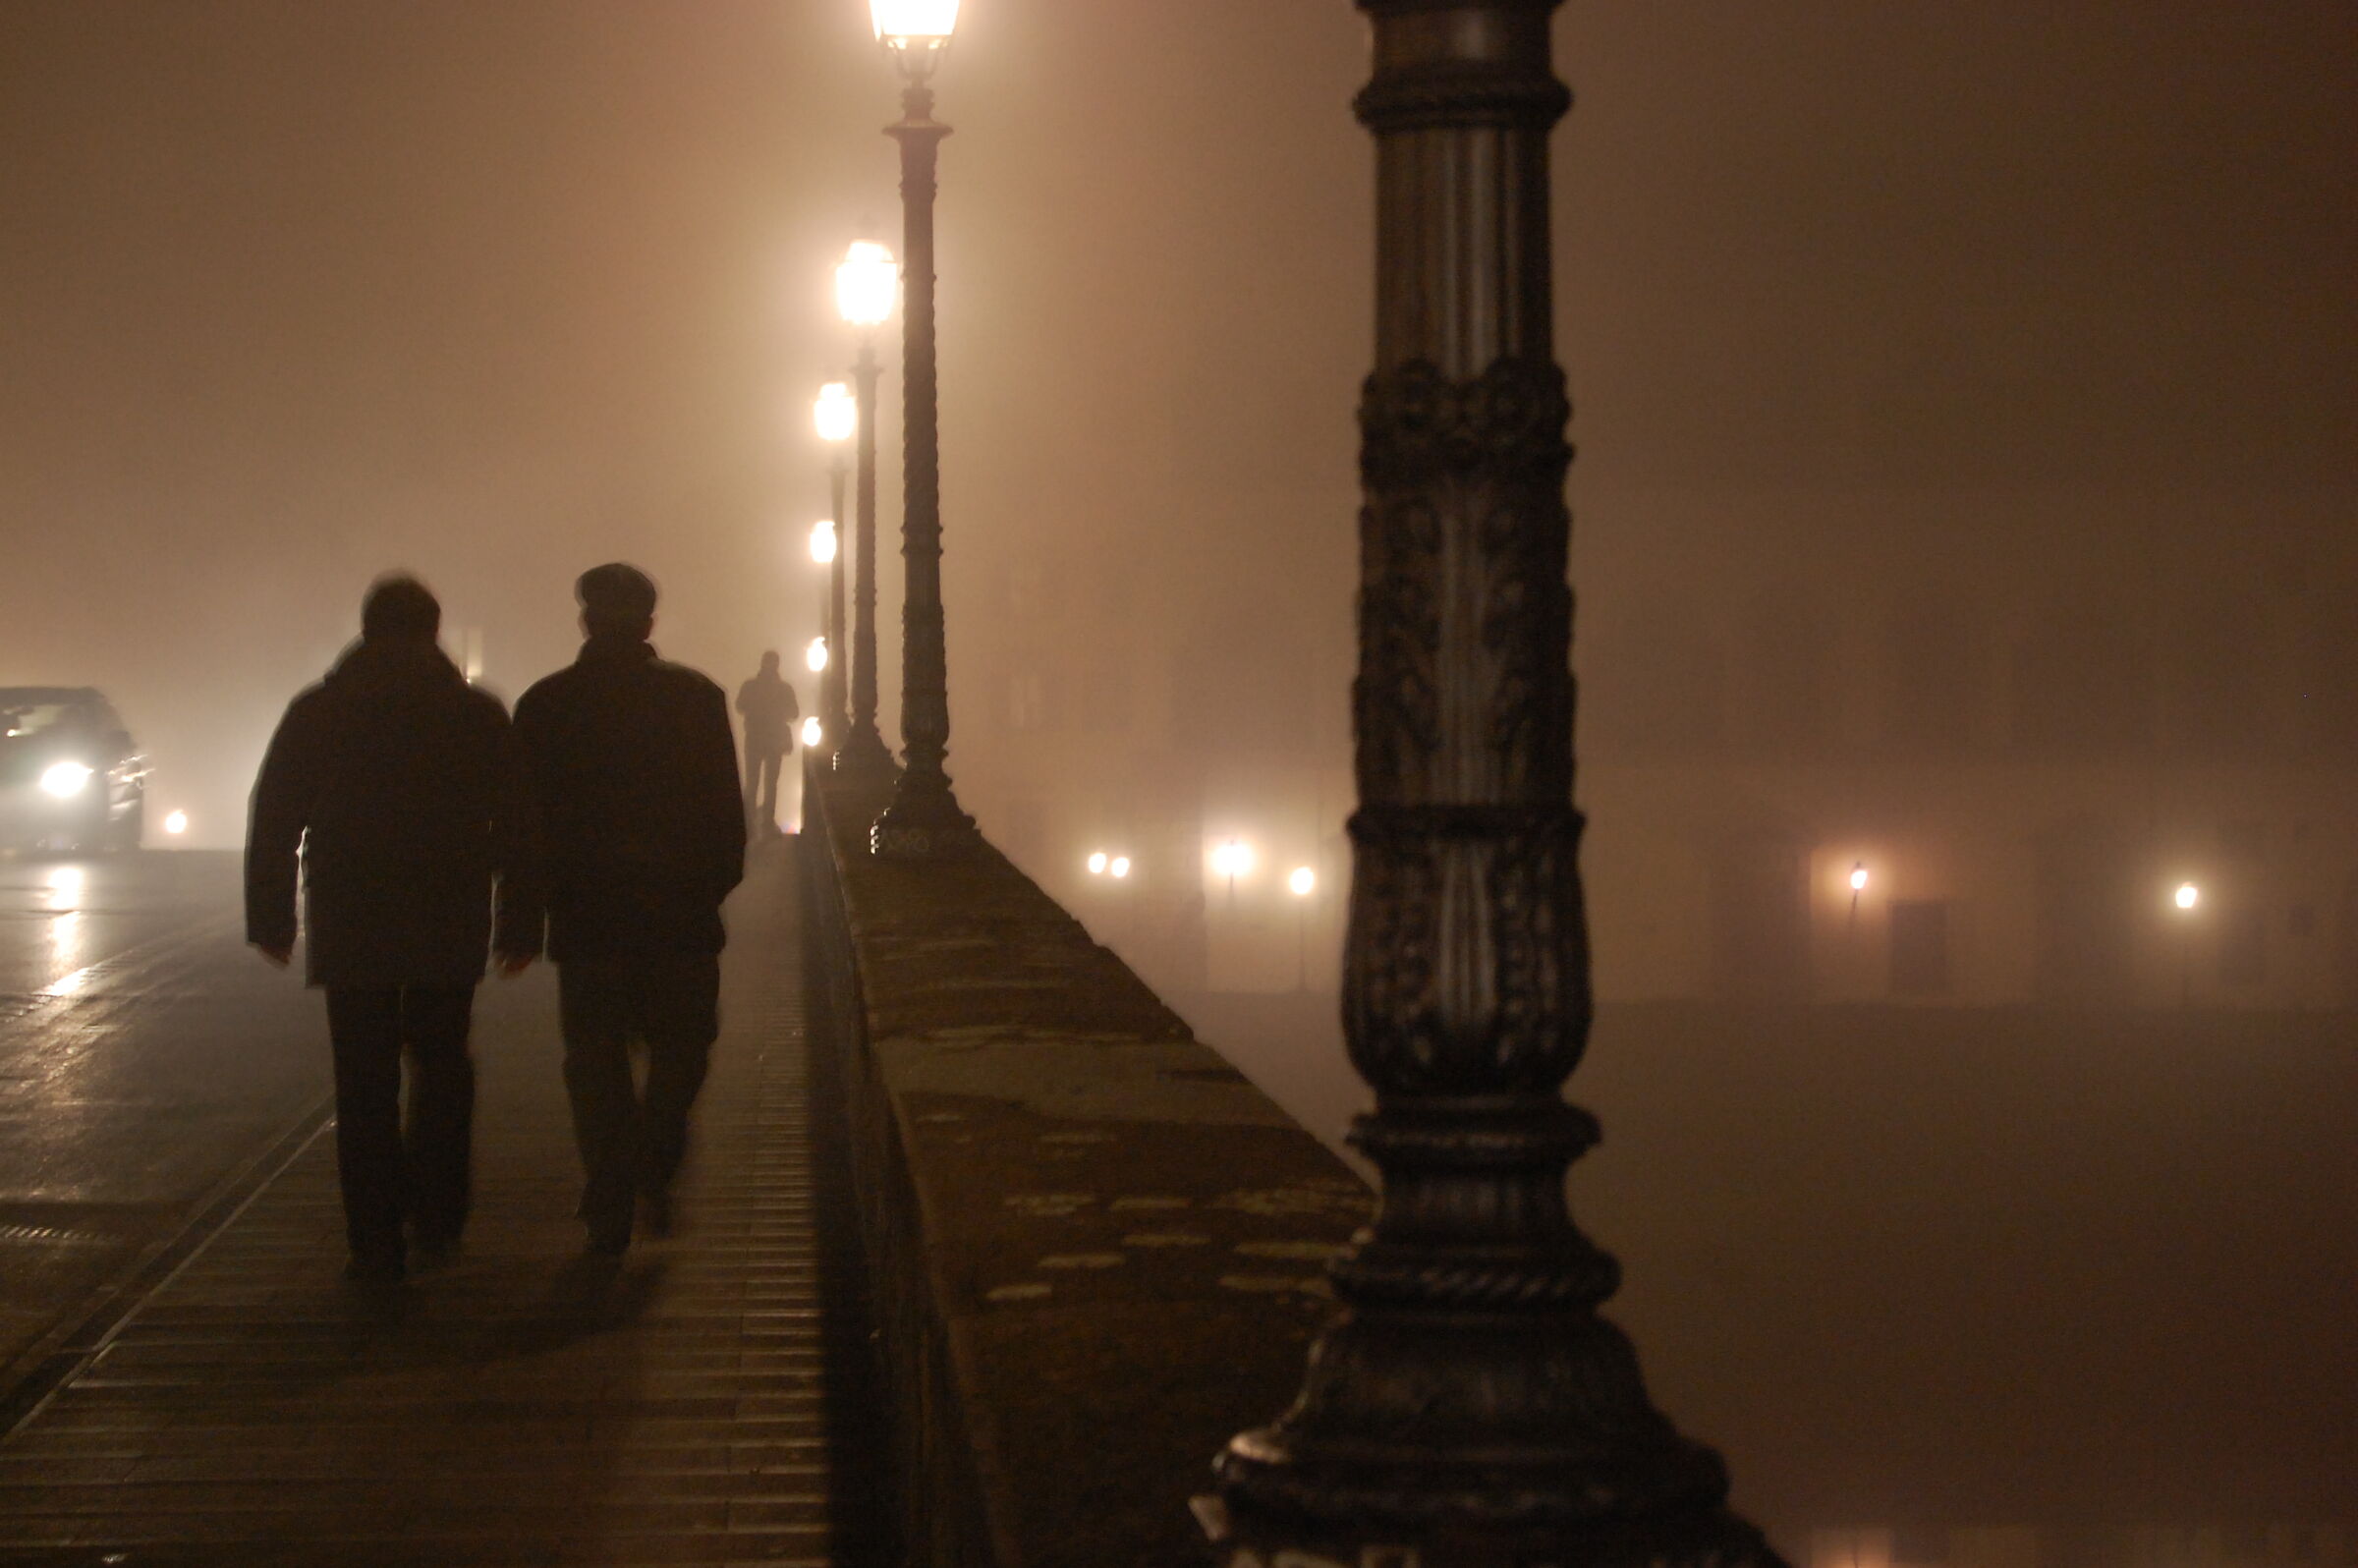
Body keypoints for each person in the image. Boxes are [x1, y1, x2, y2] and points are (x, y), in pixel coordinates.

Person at [246, 575, 526, 1284]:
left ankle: (374, 1238)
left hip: (352, 917)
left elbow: (276, 812)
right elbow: (519, 822)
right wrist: (522, 918)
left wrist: (272, 916)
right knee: (442, 1062)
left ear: (366, 630)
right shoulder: (474, 714)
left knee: (364, 1081)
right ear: (434, 631)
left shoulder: (322, 710)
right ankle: (437, 1208)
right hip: (446, 911)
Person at [500, 564, 745, 1256]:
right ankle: (652, 1159)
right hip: (678, 916)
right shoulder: (696, 701)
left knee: (595, 1060)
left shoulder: (545, 707)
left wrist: (523, 919)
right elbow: (727, 819)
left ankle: (610, 1184)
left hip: (588, 918)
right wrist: (708, 886)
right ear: (649, 625)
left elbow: (524, 830)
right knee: (683, 1052)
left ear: (586, 622)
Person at [735, 650, 798, 836]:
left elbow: (740, 705)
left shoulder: (751, 686)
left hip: (757, 738)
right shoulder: (784, 689)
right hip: (772, 740)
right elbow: (794, 713)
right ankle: (765, 822)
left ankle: (750, 821)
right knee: (768, 782)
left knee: (757, 781)